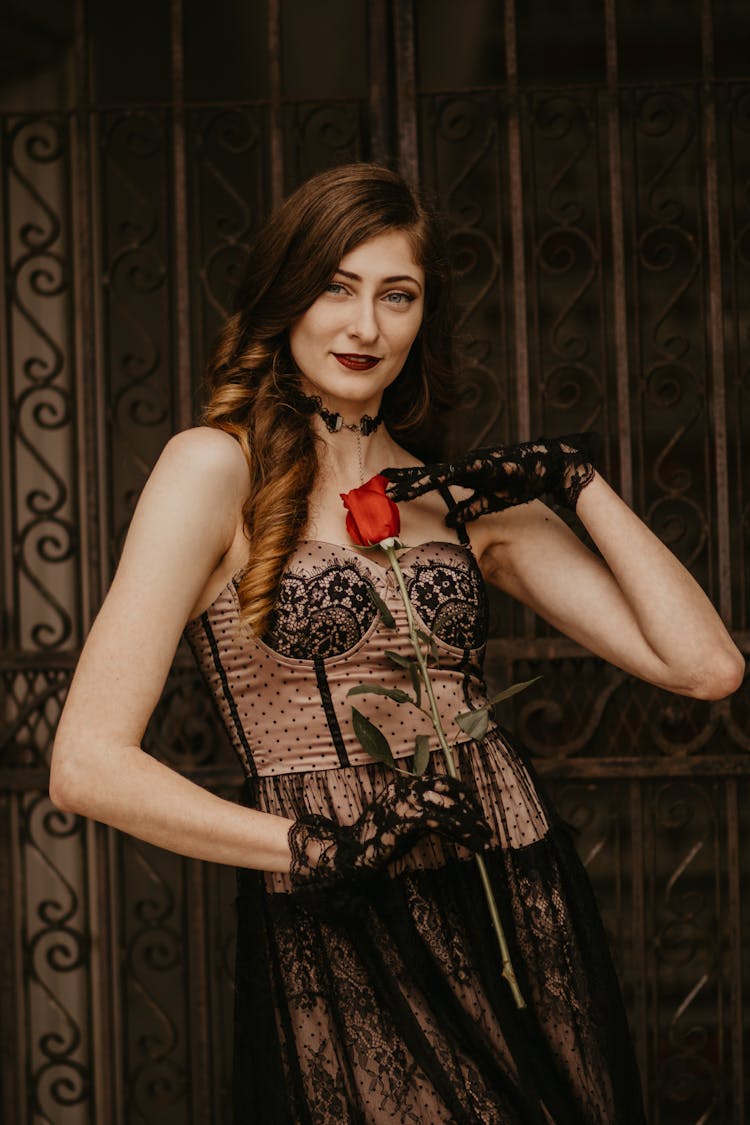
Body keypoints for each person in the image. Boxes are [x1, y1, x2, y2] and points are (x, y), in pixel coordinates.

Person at [50, 163, 744, 1125]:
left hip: (510, 881)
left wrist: (575, 479)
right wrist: (316, 847)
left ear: (423, 319)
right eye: (336, 287)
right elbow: (87, 766)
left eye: (396, 295)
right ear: (288, 298)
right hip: (339, 909)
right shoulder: (212, 468)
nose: (363, 326)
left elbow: (706, 666)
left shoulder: (454, 499)